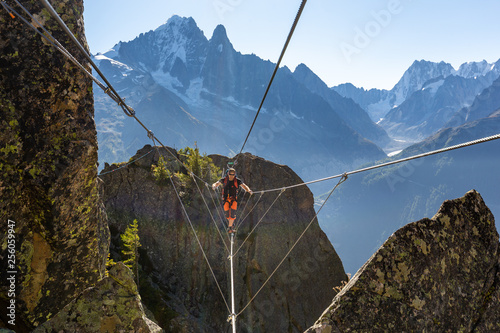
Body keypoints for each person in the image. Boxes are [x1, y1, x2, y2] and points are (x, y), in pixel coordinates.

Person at [212, 168, 252, 233]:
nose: (232, 176)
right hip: (225, 199)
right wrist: (214, 186)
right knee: (227, 214)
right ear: (228, 174)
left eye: (233, 174)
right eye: (230, 174)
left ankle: (230, 227)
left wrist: (249, 190)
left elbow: (244, 186)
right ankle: (231, 224)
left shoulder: (237, 180)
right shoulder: (224, 179)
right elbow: (216, 183)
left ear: (235, 174)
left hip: (233, 199)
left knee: (233, 213)